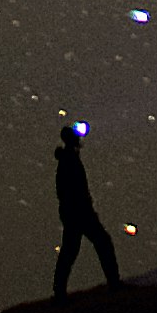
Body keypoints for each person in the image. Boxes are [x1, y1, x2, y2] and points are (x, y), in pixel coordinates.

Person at [51, 117, 123, 297]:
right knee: (101, 243)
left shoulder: (67, 160)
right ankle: (114, 283)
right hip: (79, 212)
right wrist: (83, 208)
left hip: (74, 212)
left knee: (71, 250)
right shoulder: (70, 161)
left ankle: (59, 292)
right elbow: (73, 190)